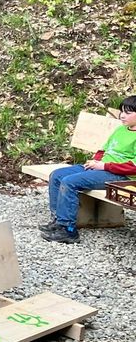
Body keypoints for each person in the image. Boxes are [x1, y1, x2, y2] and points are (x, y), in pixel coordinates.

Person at [42, 95, 136, 243]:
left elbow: (133, 167)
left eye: (128, 113)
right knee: (56, 175)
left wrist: (103, 166)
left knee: (69, 182)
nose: (122, 115)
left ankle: (68, 230)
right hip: (101, 167)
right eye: (121, 111)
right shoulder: (121, 129)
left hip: (120, 176)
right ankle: (58, 221)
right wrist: (95, 161)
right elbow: (103, 150)